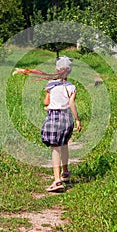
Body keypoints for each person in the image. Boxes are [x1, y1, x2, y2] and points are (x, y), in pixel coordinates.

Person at [41, 56, 82, 192]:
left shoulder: (50, 85)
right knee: (64, 144)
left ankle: (57, 180)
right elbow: (71, 103)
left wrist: (48, 99)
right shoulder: (71, 87)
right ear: (69, 71)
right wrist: (77, 120)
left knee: (55, 148)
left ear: (56, 69)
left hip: (54, 117)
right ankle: (65, 172)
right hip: (67, 118)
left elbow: (46, 103)